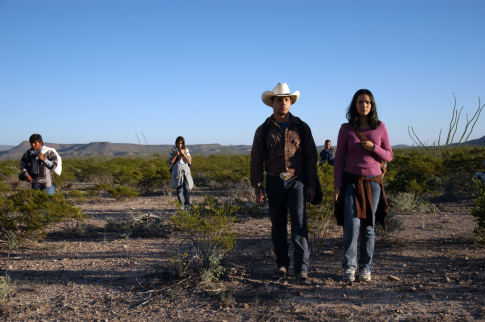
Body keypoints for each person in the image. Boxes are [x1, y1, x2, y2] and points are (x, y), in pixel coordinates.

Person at [250, 82, 318, 284]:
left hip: (297, 180)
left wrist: (312, 184)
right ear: (272, 103)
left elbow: (311, 157)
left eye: (286, 100)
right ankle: (282, 265)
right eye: (279, 100)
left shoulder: (302, 127)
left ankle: (301, 270)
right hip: (273, 180)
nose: (283, 103)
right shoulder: (263, 130)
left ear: (291, 102)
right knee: (278, 225)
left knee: (299, 224)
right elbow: (256, 159)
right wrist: (258, 188)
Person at [333, 89, 393, 282]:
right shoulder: (346, 128)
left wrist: (373, 148)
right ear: (354, 105)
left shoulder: (380, 127)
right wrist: (337, 186)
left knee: (368, 226)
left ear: (372, 105)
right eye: (360, 102)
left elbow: (389, 155)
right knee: (351, 224)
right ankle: (349, 267)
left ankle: (366, 268)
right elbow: (339, 158)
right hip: (351, 181)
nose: (364, 105)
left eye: (367, 102)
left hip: (373, 182)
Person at [169, 136, 194, 209]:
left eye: (181, 143)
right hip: (177, 170)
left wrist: (184, 154)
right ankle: (181, 205)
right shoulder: (173, 150)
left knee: (186, 187)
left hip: (185, 170)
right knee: (179, 188)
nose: (179, 145)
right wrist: (176, 155)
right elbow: (171, 162)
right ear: (176, 143)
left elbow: (189, 161)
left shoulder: (186, 150)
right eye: (178, 143)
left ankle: (187, 204)